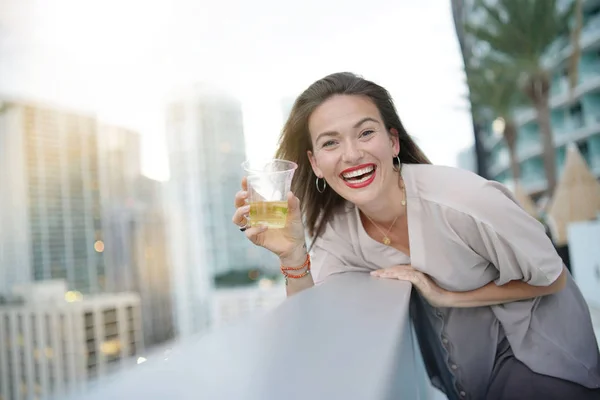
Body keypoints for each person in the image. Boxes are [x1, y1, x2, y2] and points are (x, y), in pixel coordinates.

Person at [232, 72, 600, 399]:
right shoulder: (337, 230)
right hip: (465, 381)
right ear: (314, 163)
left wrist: (446, 296)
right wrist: (293, 256)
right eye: (330, 143)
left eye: (365, 133)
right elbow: (319, 324)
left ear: (392, 142)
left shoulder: (467, 201)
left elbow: (553, 278)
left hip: (543, 364)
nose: (352, 153)